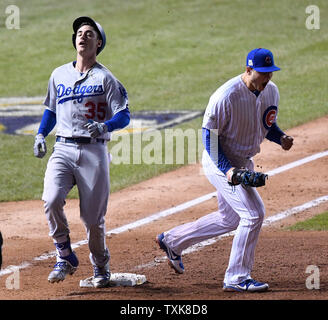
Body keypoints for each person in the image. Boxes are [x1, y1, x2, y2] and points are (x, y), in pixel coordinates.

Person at [156, 48, 293, 292]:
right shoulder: (226, 96)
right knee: (253, 214)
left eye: (270, 73)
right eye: (262, 73)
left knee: (230, 218)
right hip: (218, 159)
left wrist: (280, 137)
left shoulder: (271, 91)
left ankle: (173, 241)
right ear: (248, 70)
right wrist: (227, 170)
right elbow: (209, 136)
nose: (267, 78)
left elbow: (266, 123)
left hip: (243, 160)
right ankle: (237, 278)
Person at [34, 16, 130, 288]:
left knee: (92, 220)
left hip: (93, 153)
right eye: (79, 32)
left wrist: (105, 125)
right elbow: (51, 110)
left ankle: (101, 266)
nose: (82, 36)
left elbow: (124, 116)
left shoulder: (106, 78)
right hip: (62, 148)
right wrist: (41, 133)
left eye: (89, 33)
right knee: (51, 199)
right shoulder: (58, 74)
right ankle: (65, 256)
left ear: (98, 43)